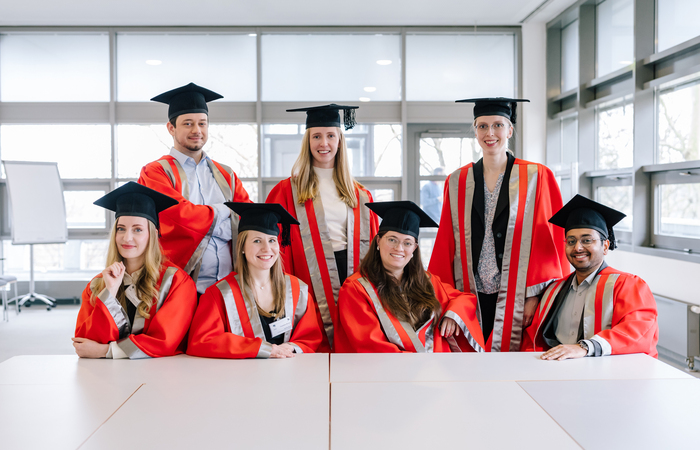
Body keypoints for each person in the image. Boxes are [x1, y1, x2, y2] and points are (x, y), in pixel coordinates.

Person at [429, 97, 568, 352]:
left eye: (497, 125)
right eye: (482, 126)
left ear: (510, 130)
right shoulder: (458, 180)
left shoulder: (536, 176)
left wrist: (535, 295)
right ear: (475, 130)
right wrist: (449, 298)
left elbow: (549, 241)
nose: (490, 133)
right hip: (470, 293)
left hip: (518, 295)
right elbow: (447, 240)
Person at [266, 104, 378, 351]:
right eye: (316, 136)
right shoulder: (286, 192)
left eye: (330, 136)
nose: (323, 143)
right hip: (308, 273)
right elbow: (274, 246)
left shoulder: (360, 195)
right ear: (308, 141)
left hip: (352, 272)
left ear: (340, 141)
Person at [138, 82, 251, 296]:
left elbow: (248, 218)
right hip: (177, 288)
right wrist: (225, 212)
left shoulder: (226, 175)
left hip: (229, 288)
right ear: (171, 128)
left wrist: (208, 221)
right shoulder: (155, 172)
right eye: (188, 124)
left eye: (202, 123)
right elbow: (179, 218)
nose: (197, 130)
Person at [336, 201, 485, 353]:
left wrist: (453, 316)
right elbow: (369, 344)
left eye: (407, 243)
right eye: (392, 239)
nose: (399, 248)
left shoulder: (427, 281)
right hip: (391, 372)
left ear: (414, 248)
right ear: (379, 241)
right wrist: (418, 368)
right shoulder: (356, 289)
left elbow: (464, 299)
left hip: (438, 369)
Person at [73, 182, 198, 359]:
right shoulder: (98, 284)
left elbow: (165, 341)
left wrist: (107, 351)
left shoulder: (176, 282)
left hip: (159, 376)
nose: (127, 238)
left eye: (137, 229)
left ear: (153, 234)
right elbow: (85, 342)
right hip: (106, 377)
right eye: (121, 229)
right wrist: (109, 292)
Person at [187, 203, 325, 358]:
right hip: (242, 377)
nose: (267, 248)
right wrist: (261, 349)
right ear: (242, 247)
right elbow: (202, 341)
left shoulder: (297, 289)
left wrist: (290, 347)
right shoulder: (220, 293)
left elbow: (310, 336)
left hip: (289, 374)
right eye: (257, 241)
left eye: (272, 240)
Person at [533, 195, 658, 360]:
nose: (578, 247)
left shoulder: (627, 285)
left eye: (587, 240)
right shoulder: (554, 290)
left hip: (609, 376)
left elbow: (639, 331)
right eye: (571, 241)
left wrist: (584, 348)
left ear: (605, 246)